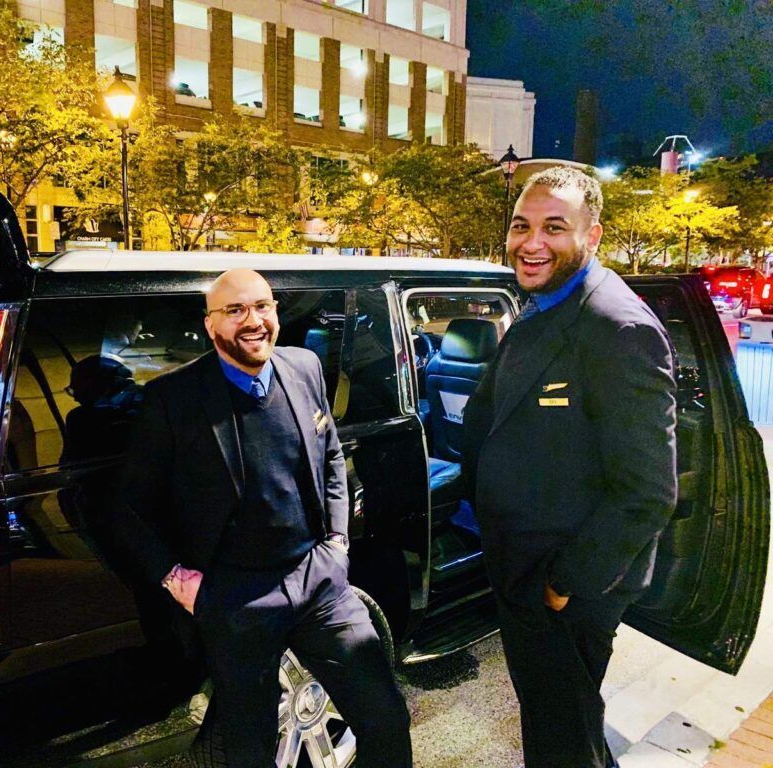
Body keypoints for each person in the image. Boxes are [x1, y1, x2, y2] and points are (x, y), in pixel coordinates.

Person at [112, 268, 412, 768]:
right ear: (211, 326)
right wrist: (177, 580)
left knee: (384, 716)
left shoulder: (304, 367)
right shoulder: (175, 398)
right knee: (249, 749)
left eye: (262, 306)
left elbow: (331, 454)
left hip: (318, 583)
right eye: (235, 310)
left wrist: (337, 543)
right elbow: (129, 507)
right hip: (236, 598)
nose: (253, 321)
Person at [464, 167, 678, 768]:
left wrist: (562, 586)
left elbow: (647, 492)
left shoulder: (617, 327)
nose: (531, 243)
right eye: (521, 226)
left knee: (560, 736)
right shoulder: (542, 304)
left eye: (554, 227)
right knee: (562, 719)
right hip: (523, 558)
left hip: (566, 579)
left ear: (593, 234)